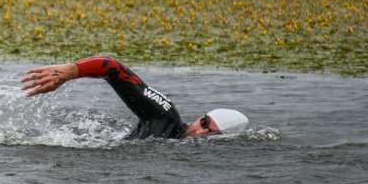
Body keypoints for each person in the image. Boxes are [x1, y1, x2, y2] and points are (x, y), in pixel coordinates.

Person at [21, 54, 248, 140]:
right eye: (205, 123)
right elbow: (112, 66)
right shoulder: (166, 116)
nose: (201, 131)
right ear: (201, 117)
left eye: (211, 133)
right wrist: (68, 72)